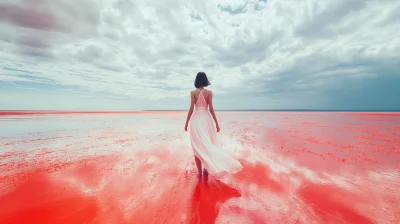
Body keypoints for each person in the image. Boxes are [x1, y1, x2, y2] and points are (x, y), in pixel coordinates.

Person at [184, 72, 243, 177]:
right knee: (208, 143)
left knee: (197, 146)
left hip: (196, 119)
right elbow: (211, 109)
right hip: (206, 119)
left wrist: (186, 123)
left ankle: (200, 172)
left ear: (196, 81)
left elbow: (191, 109)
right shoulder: (209, 93)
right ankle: (206, 169)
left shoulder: (193, 92)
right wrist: (216, 123)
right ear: (205, 80)